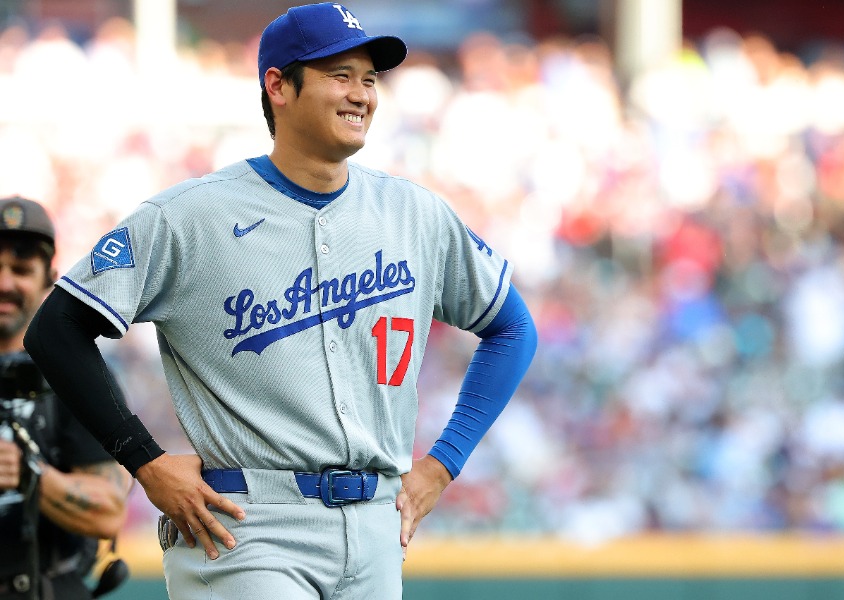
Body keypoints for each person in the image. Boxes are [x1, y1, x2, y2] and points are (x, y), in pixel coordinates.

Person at [24, 3, 537, 598]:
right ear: (278, 86)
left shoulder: (416, 214)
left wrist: (443, 464)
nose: (362, 95)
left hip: (376, 525)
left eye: (370, 79)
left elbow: (513, 329)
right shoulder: (188, 217)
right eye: (340, 75)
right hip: (247, 526)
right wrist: (145, 460)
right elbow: (55, 328)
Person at [0, 197, 132, 600]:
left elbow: (109, 509)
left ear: (48, 280)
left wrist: (26, 474)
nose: (4, 283)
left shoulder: (75, 373)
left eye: (21, 270)